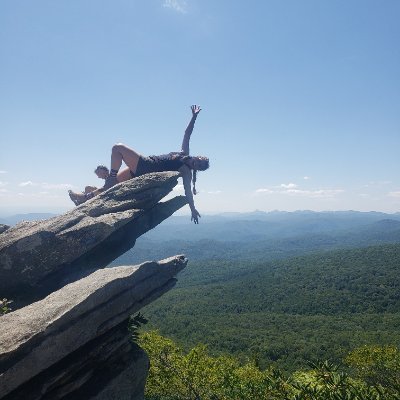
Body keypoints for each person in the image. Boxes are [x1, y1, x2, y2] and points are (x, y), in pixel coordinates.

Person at [68, 105, 209, 224]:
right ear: (198, 156)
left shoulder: (185, 170)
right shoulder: (184, 153)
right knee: (111, 186)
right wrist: (194, 116)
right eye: (200, 161)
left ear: (198, 169)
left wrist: (192, 208)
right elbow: (187, 134)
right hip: (140, 168)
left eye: (200, 166)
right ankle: (85, 198)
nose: (198, 163)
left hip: (146, 166)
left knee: (118, 148)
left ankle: (96, 187)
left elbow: (188, 191)